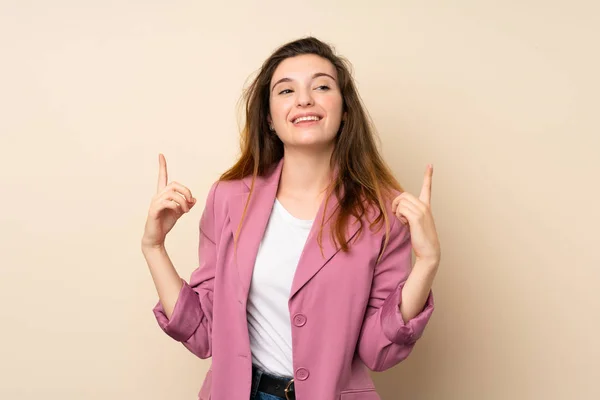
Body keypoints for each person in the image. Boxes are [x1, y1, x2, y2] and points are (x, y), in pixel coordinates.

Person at [141, 37, 440, 400]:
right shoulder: (229, 197)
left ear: (345, 110)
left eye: (322, 86)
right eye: (286, 90)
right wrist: (154, 247)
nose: (304, 100)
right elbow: (204, 332)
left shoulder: (383, 212)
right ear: (269, 117)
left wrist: (427, 262)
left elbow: (378, 351)